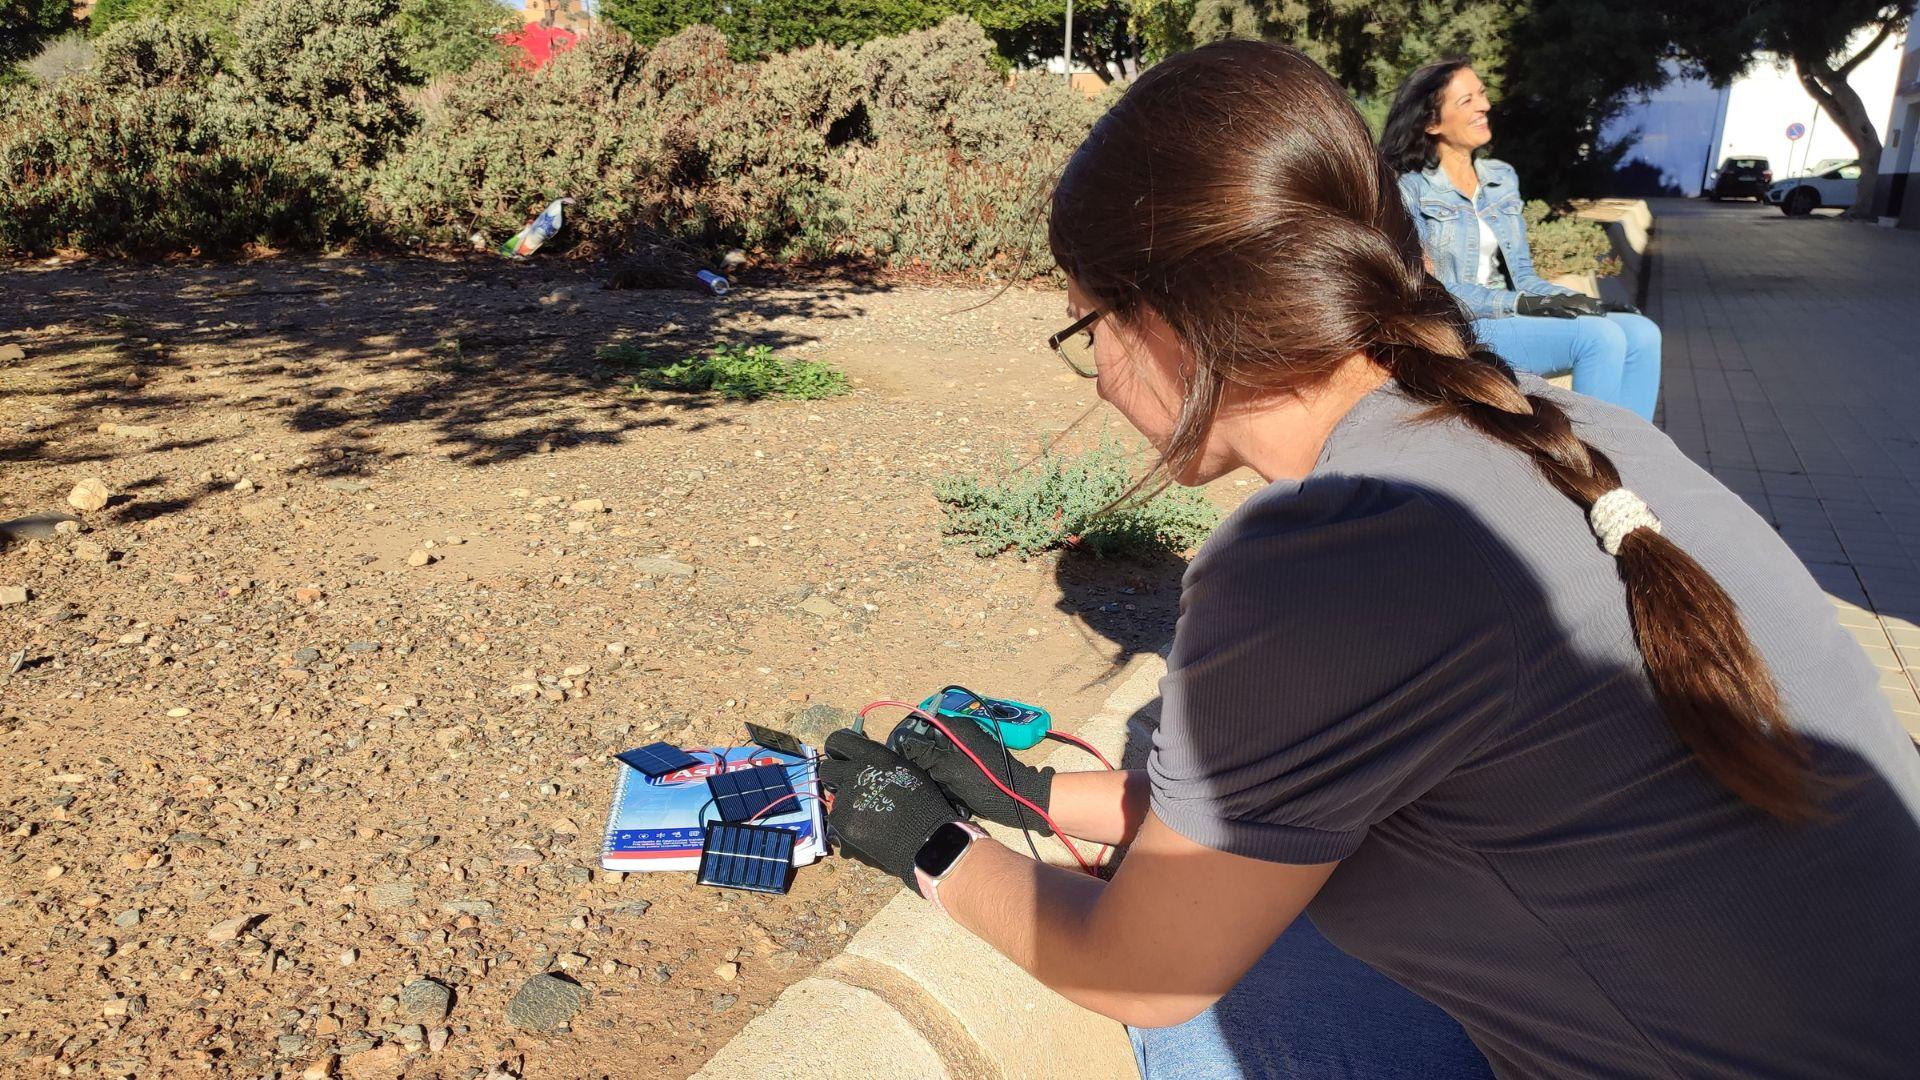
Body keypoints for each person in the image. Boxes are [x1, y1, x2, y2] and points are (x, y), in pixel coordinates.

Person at [815, 39, 1920, 1080]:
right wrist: (1041, 790)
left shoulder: (1322, 558)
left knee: (1210, 1016)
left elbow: (1144, 971)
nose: (1098, 375)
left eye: (1086, 327)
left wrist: (924, 842)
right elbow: (1292, 796)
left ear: (1173, 316)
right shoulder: (1570, 434)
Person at [1382, 59, 1663, 421]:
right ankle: (1597, 465)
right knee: (1600, 338)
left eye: (1482, 94)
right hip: (1458, 325)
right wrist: (1525, 305)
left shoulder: (1501, 178)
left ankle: (1636, 462)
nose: (1484, 105)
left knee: (1642, 333)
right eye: (1467, 101)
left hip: (1513, 313)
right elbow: (1433, 291)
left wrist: (1585, 303)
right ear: (1431, 122)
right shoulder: (1408, 190)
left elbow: (1524, 275)